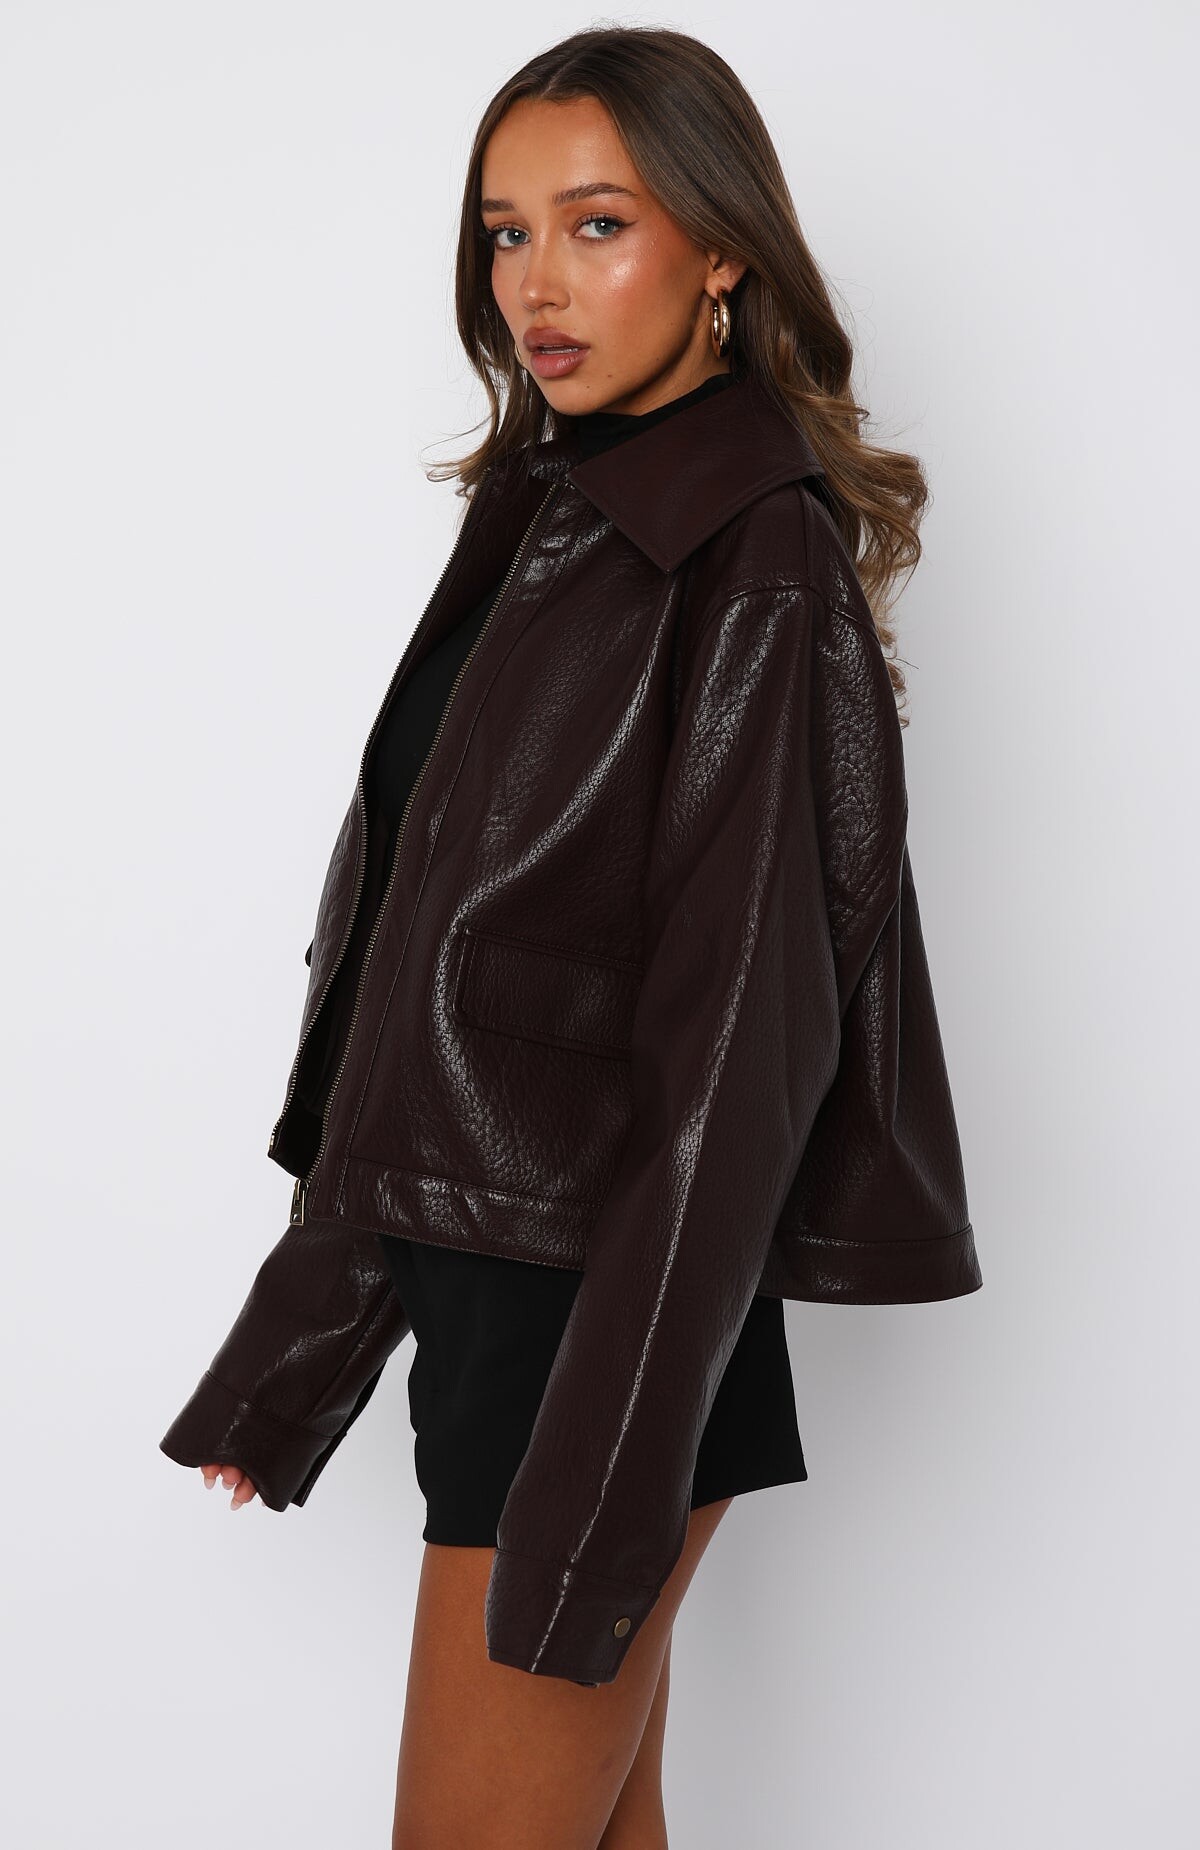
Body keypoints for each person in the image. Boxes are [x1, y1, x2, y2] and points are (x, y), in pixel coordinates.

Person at [160, 25, 981, 1849]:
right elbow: (448, 987)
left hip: (602, 1332)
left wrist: (606, 1455)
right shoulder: (556, 520)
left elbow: (738, 1050)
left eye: (596, 223)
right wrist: (311, 1329)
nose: (535, 281)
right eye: (506, 232)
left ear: (722, 250)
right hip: (517, 1308)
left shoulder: (747, 558)